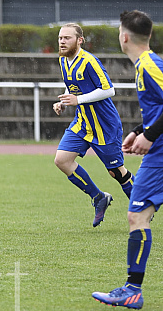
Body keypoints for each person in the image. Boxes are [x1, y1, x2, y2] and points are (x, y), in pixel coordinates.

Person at [92, 10, 162, 309]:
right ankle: (132, 289)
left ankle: (132, 290)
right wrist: (139, 131)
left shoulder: (149, 65)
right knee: (139, 215)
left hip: (160, 154)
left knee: (138, 216)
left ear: (124, 36)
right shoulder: (146, 65)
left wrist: (150, 136)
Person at [52, 22, 134, 227]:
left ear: (79, 40)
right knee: (62, 160)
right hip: (82, 122)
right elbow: (72, 86)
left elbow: (108, 90)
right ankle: (99, 198)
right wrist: (63, 102)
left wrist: (78, 100)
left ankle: (141, 205)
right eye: (60, 38)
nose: (62, 42)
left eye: (67, 38)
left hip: (104, 125)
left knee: (116, 172)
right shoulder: (63, 61)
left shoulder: (89, 61)